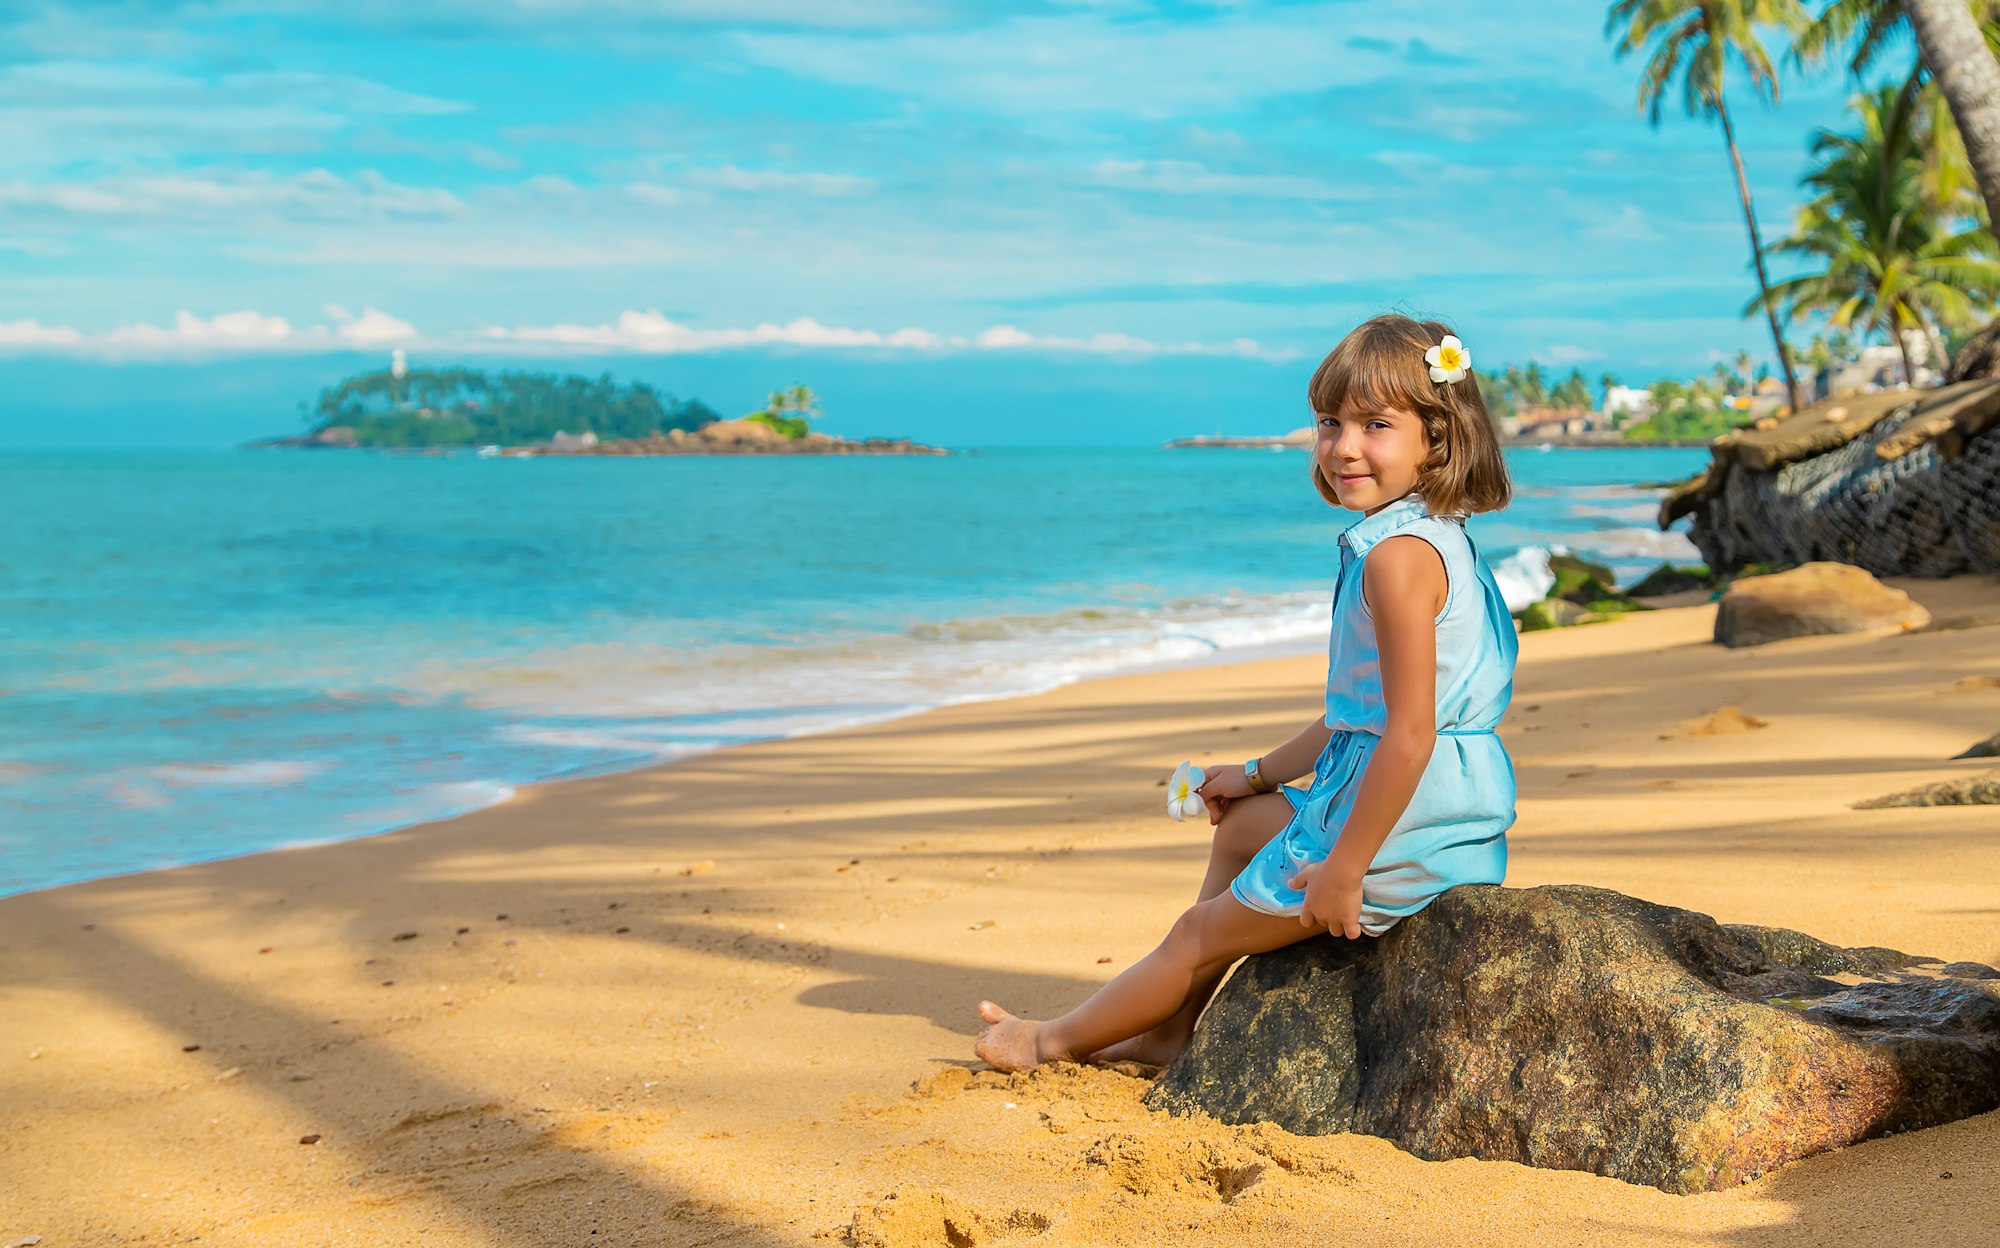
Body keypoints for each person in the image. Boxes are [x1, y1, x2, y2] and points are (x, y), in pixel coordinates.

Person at [975, 314, 1518, 1073]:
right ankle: (1170, 1029)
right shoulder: (1426, 533)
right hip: (1430, 804)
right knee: (1238, 830)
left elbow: (1410, 735)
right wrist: (1258, 774)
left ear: (1438, 437)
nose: (1345, 446)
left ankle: (1047, 1040)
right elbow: (1354, 719)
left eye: (1376, 424)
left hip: (1405, 825)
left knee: (1195, 935)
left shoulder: (1397, 560)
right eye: (1330, 422)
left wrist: (1344, 869)